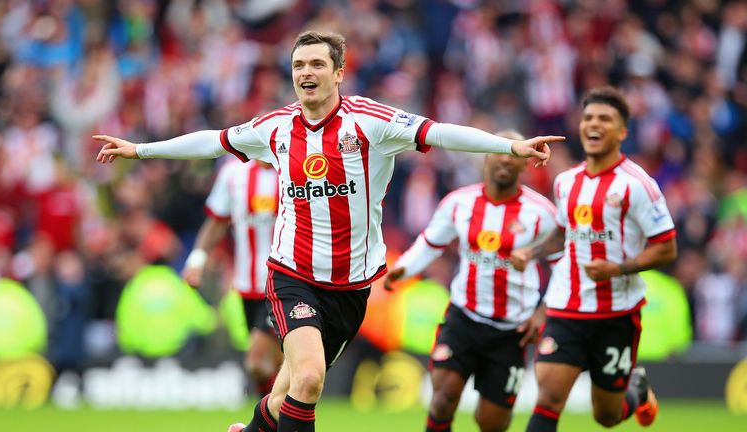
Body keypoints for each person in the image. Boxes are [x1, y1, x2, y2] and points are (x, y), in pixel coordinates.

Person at [94, 31, 564, 432]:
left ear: (339, 72)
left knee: (283, 402)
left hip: (353, 286)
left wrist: (511, 146)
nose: (306, 72)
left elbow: (441, 133)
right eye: (299, 64)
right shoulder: (275, 128)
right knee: (310, 381)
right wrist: (140, 150)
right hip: (293, 273)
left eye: (318, 63)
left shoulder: (372, 123)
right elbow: (213, 143)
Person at [512, 87, 677, 431]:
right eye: (588, 118)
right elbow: (562, 231)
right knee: (548, 399)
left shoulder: (638, 185)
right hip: (566, 309)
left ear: (622, 132)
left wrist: (617, 269)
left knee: (606, 416)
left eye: (605, 118)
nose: (594, 124)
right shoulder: (565, 182)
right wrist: (533, 251)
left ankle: (637, 390)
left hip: (616, 313)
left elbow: (666, 247)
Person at [385, 130, 561, 432]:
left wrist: (542, 312)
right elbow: (431, 242)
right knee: (443, 397)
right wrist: (402, 268)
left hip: (511, 329)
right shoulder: (459, 203)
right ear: (485, 158)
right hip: (463, 318)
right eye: (498, 153)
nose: (505, 161)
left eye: (513, 155)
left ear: (524, 164)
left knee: (491, 422)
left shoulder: (543, 213)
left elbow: (563, 267)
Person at [182, 158, 282, 398]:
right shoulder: (233, 173)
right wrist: (197, 260)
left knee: (257, 362)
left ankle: (268, 422)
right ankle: (280, 421)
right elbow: (217, 221)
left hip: (284, 284)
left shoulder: (293, 167)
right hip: (248, 287)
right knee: (274, 368)